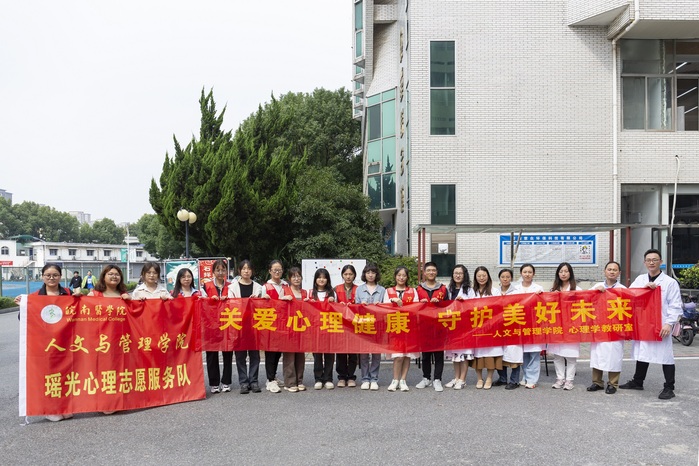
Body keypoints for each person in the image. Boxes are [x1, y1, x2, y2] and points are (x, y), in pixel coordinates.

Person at [14, 263, 79, 421]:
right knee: (49, 376)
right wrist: (23, 307)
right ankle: (49, 409)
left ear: (60, 277)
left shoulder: (68, 293)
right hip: (45, 343)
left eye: (55, 275)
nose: (51, 278)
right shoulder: (35, 296)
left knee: (65, 375)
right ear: (42, 277)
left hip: (65, 342)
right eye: (48, 275)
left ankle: (65, 406)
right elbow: (24, 319)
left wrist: (80, 297)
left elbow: (82, 313)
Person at [620, 249, 683, 400]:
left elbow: (675, 305)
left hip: (661, 325)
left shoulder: (670, 282)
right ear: (644, 262)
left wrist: (669, 324)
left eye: (655, 260)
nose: (651, 263)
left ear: (660, 262)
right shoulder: (640, 280)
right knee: (643, 352)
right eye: (648, 260)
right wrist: (644, 289)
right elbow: (629, 296)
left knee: (666, 355)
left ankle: (669, 387)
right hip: (644, 323)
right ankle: (638, 381)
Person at [228, 260, 268, 394]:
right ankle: (243, 382)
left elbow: (265, 305)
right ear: (239, 271)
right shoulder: (232, 287)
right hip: (238, 326)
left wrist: (261, 298)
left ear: (252, 271)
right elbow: (230, 305)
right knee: (240, 356)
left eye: (249, 268)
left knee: (255, 356)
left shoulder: (258, 287)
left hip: (254, 327)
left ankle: (254, 381)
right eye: (244, 268)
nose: (246, 271)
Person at [588, 261, 625, 395]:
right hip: (599, 326)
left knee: (614, 355)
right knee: (597, 354)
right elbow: (586, 301)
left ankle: (613, 383)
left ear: (619, 273)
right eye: (609, 269)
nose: (612, 272)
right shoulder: (596, 287)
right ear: (604, 271)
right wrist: (596, 293)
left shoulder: (623, 289)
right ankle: (597, 382)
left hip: (615, 327)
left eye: (615, 270)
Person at [383, 266, 419, 392]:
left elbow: (417, 307)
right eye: (399, 275)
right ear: (395, 276)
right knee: (398, 356)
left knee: (407, 355)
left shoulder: (413, 291)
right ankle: (395, 379)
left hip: (409, 327)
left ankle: (403, 380)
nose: (401, 278)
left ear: (407, 277)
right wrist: (392, 300)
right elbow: (384, 308)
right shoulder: (388, 291)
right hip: (395, 327)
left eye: (404, 275)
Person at [548, 262, 583, 390]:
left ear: (570, 273)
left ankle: (569, 380)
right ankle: (560, 378)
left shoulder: (577, 289)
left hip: (571, 326)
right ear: (558, 273)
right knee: (557, 355)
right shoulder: (553, 290)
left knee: (570, 355)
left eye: (566, 271)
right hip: (557, 326)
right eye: (561, 271)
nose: (563, 274)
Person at [201, 260, 234, 393]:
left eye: (223, 270)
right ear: (213, 272)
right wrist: (210, 300)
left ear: (226, 271)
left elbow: (237, 302)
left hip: (227, 324)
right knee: (211, 355)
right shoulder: (206, 286)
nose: (220, 272)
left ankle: (226, 382)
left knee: (228, 353)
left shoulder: (231, 286)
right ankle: (214, 383)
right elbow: (201, 303)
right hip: (211, 326)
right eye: (218, 270)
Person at [415, 261, 448, 392]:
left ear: (437, 272)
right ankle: (426, 378)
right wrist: (420, 303)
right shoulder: (418, 289)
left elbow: (449, 306)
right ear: (424, 273)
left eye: (433, 270)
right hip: (424, 326)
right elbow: (413, 307)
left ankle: (437, 379)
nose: (431, 272)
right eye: (428, 270)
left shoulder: (443, 288)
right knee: (426, 355)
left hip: (439, 326)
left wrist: (440, 303)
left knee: (439, 354)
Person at [470, 266, 503, 390]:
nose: (481, 278)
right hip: (476, 327)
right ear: (475, 277)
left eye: (484, 275)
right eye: (479, 276)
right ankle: (479, 378)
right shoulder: (471, 292)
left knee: (490, 353)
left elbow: (499, 308)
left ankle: (489, 378)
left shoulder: (495, 291)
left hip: (491, 327)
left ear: (488, 276)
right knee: (477, 354)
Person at [355, 263, 386, 391]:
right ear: (365, 274)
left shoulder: (382, 290)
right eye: (368, 272)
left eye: (373, 272)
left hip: (377, 325)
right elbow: (355, 308)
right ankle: (365, 379)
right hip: (364, 325)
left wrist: (381, 305)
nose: (371, 275)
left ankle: (374, 379)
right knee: (363, 354)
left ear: (376, 274)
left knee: (376, 354)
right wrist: (360, 305)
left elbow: (386, 308)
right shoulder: (359, 289)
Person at [444, 265, 475, 390]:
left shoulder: (469, 290)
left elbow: (474, 307)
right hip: (452, 326)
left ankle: (462, 379)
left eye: (460, 273)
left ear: (464, 275)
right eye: (455, 273)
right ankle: (456, 378)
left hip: (465, 327)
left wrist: (464, 303)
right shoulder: (449, 289)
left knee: (464, 354)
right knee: (455, 354)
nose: (458, 275)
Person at [514, 263, 544, 389]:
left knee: (534, 353)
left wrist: (541, 295)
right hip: (520, 324)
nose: (527, 274)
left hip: (534, 324)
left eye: (530, 272)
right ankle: (526, 377)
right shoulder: (515, 288)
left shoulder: (539, 288)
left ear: (533, 274)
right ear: (521, 273)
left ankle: (532, 379)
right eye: (525, 272)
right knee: (524, 353)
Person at [307, 268, 337, 389]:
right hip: (315, 329)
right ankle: (318, 378)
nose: (321, 280)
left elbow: (338, 310)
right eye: (319, 277)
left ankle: (328, 378)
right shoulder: (310, 293)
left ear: (328, 280)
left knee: (329, 354)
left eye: (324, 278)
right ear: (315, 280)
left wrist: (333, 302)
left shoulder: (332, 293)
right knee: (317, 354)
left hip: (329, 327)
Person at [262, 260, 289, 393]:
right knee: (270, 352)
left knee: (278, 352)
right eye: (275, 270)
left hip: (283, 323)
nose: (277, 272)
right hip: (270, 323)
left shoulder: (286, 285)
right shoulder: (265, 287)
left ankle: (274, 376)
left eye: (279, 270)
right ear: (270, 271)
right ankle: (270, 379)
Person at [279, 267, 307, 392]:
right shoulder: (285, 290)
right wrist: (283, 300)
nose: (296, 278)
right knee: (289, 356)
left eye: (298, 276)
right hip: (288, 328)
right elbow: (277, 307)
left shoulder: (304, 293)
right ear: (289, 279)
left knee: (300, 356)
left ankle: (299, 380)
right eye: (294, 276)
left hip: (301, 328)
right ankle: (289, 382)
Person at [495, 268, 523, 390]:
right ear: (499, 278)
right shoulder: (495, 292)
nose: (505, 279)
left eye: (508, 277)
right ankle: (502, 379)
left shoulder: (517, 292)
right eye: (503, 277)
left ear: (511, 278)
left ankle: (514, 381)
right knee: (499, 353)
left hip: (513, 326)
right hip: (499, 327)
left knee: (514, 354)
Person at [334, 264, 359, 388]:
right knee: (341, 351)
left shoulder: (359, 289)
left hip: (354, 325)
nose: (348, 276)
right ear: (342, 275)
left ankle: (351, 376)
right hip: (340, 324)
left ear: (354, 275)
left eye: (350, 274)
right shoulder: (336, 289)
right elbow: (331, 305)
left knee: (353, 352)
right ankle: (342, 376)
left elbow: (362, 306)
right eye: (346, 274)